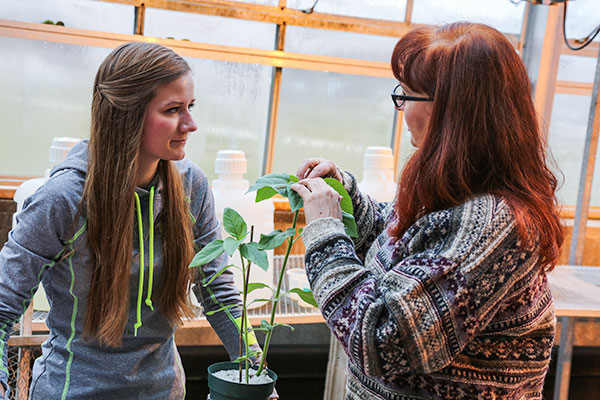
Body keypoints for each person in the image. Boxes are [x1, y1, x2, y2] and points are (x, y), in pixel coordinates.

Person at [291, 22, 564, 400]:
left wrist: (325, 232)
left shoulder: (489, 223)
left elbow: (384, 340)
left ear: (453, 110)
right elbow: (402, 249)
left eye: (407, 96)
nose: (400, 108)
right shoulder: (460, 188)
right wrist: (347, 197)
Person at [0, 42, 263, 399]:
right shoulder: (64, 199)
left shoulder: (191, 188)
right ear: (126, 114)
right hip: (73, 391)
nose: (191, 124)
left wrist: (254, 363)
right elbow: (3, 304)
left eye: (190, 107)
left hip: (163, 391)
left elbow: (218, 291)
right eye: (173, 110)